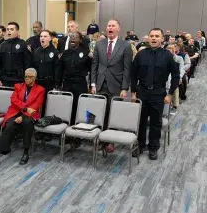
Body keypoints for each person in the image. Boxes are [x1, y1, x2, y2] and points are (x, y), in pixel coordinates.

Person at [131, 28, 180, 160]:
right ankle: (140, 145)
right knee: (140, 121)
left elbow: (176, 75)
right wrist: (134, 92)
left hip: (158, 93)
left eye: (157, 36)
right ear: (148, 38)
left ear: (162, 39)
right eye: (151, 36)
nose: (153, 38)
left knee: (155, 122)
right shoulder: (141, 54)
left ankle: (153, 147)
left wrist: (170, 94)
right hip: (142, 92)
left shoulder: (167, 56)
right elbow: (133, 74)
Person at [91, 18, 132, 153]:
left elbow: (127, 69)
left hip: (117, 85)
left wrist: (125, 88)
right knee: (100, 112)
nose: (110, 28)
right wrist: (93, 83)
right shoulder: (99, 44)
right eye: (108, 25)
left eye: (113, 26)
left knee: (113, 114)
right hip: (100, 84)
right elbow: (95, 65)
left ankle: (110, 141)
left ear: (118, 28)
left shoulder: (125, 45)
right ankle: (100, 139)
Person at [0, 68, 45, 166]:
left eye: (30, 77)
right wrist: (25, 108)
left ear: (35, 78)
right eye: (26, 76)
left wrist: (23, 116)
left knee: (27, 124)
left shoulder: (40, 90)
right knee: (9, 124)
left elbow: (36, 106)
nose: (27, 78)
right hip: (15, 112)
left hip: (30, 115)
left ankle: (26, 152)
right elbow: (14, 100)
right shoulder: (18, 86)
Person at [56, 31, 90, 124]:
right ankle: (67, 126)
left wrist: (91, 85)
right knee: (67, 106)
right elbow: (60, 69)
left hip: (80, 83)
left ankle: (80, 127)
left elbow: (90, 69)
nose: (73, 38)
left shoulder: (86, 53)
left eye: (75, 37)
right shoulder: (66, 53)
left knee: (80, 106)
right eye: (71, 37)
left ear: (80, 40)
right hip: (67, 83)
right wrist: (58, 84)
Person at [0, 22, 32, 87]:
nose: (9, 31)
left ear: (17, 31)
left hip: (19, 79)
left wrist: (26, 78)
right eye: (8, 29)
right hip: (5, 78)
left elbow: (27, 63)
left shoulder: (23, 44)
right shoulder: (2, 45)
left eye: (12, 29)